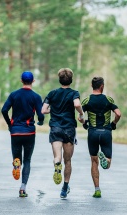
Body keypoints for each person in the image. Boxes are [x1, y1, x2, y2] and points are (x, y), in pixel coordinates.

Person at [41, 68, 85, 199]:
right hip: (69, 129)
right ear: (71, 80)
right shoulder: (74, 93)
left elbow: (43, 110)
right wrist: (81, 113)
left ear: (59, 79)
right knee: (68, 160)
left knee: (57, 157)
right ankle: (65, 188)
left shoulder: (52, 93)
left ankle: (57, 164)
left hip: (55, 128)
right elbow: (77, 104)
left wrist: (53, 110)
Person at [1, 71, 45, 197]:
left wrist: (10, 124)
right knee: (27, 160)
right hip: (29, 132)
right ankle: (23, 188)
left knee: (17, 157)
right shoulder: (35, 96)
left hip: (15, 132)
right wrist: (40, 121)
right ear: (33, 81)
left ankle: (16, 163)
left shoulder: (14, 95)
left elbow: (4, 110)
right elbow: (40, 115)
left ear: (21, 80)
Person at [81, 77, 121, 198]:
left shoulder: (87, 100)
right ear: (102, 86)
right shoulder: (108, 99)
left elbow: (80, 116)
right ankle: (106, 161)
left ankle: (97, 189)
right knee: (107, 163)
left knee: (94, 161)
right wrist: (113, 123)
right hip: (106, 133)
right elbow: (118, 113)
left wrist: (84, 123)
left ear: (92, 86)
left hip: (92, 133)